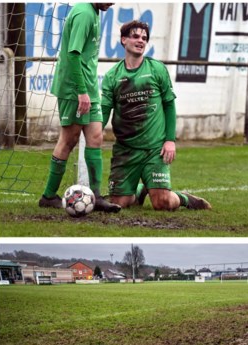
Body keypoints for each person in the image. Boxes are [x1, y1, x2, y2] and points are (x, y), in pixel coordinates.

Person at [100, 20, 211, 211]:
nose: (141, 40)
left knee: (162, 203)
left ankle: (185, 199)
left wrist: (170, 140)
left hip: (154, 149)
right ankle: (142, 188)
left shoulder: (157, 69)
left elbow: (169, 105)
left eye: (144, 38)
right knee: (118, 204)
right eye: (135, 36)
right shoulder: (112, 76)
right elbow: (104, 110)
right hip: (126, 150)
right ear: (123, 40)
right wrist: (97, 131)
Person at [39, 3, 121, 213]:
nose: (112, 3)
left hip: (89, 89)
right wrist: (81, 91)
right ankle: (48, 196)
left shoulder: (95, 11)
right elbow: (73, 55)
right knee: (69, 139)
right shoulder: (84, 13)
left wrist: (88, 90)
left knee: (96, 137)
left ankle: (97, 196)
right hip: (74, 89)